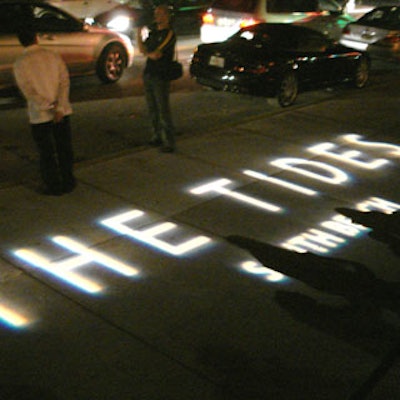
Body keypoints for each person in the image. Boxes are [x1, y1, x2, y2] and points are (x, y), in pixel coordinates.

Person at [13, 26, 76, 195]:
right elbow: (64, 81)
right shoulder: (52, 56)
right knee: (64, 147)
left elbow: (29, 92)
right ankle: (68, 180)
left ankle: (53, 184)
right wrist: (59, 106)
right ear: (36, 38)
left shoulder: (20, 63)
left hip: (39, 115)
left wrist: (48, 105)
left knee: (46, 152)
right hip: (62, 112)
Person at [137, 4, 177, 153]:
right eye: (155, 14)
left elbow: (156, 54)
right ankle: (157, 136)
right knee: (152, 108)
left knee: (163, 109)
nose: (156, 17)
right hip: (149, 74)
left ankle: (169, 141)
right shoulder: (153, 33)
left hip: (161, 75)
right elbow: (142, 50)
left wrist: (147, 53)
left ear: (166, 16)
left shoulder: (169, 34)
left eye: (160, 14)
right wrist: (138, 34)